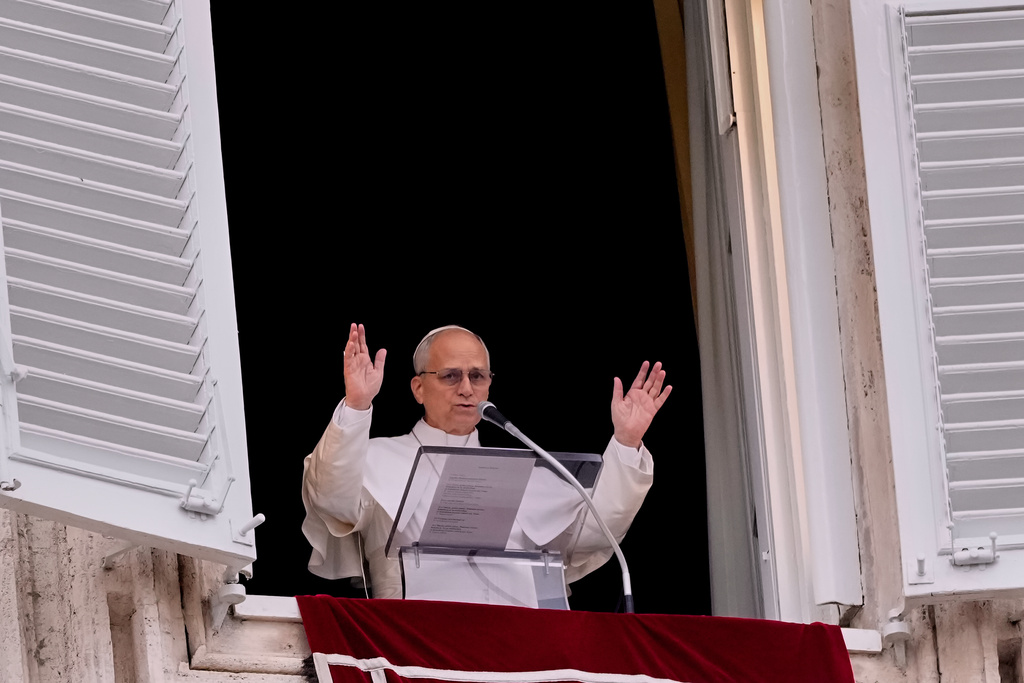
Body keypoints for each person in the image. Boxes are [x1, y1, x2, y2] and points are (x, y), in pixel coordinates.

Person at [301, 323, 671, 599]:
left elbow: (592, 533)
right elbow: (331, 498)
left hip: (523, 649)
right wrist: (356, 405)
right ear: (418, 388)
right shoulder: (378, 457)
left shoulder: (525, 469)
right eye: (450, 376)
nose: (466, 388)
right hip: (412, 643)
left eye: (477, 376)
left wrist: (626, 441)